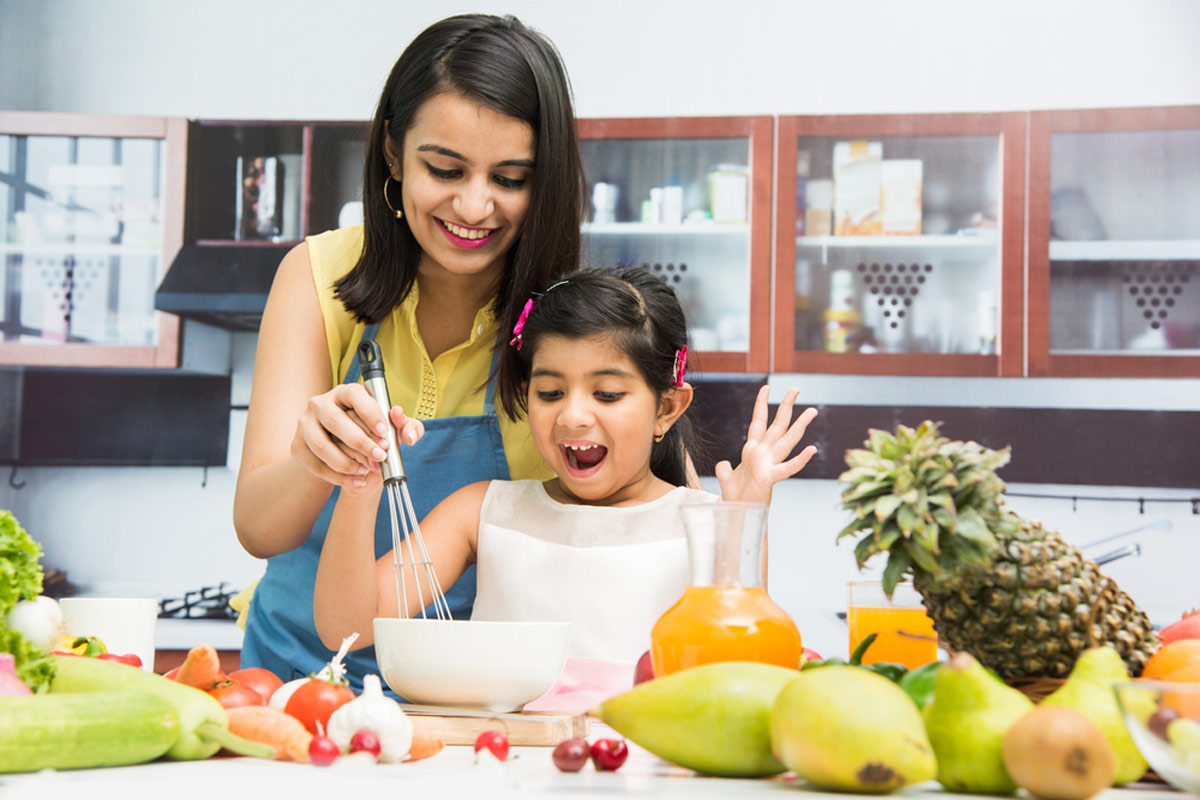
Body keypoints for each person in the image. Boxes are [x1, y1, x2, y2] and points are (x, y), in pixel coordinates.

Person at [233, 14, 587, 685]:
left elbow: (645, 516)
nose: (475, 205)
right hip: (297, 687)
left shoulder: (571, 323)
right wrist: (314, 461)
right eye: (446, 168)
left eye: (510, 178)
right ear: (394, 152)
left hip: (477, 698)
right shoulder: (318, 277)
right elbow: (260, 530)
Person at [312, 267, 819, 671]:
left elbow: (743, 664)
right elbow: (347, 628)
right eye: (550, 392)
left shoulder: (707, 522)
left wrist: (745, 516)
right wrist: (359, 488)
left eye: (608, 394)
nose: (573, 415)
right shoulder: (482, 512)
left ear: (666, 408)